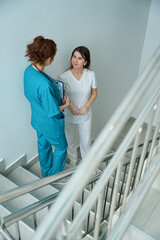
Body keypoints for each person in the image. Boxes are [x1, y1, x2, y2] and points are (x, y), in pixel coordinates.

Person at [24, 36, 69, 177]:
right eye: (53, 56)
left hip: (38, 119)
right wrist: (65, 104)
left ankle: (45, 171)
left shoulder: (29, 71)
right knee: (61, 147)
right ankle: (54, 177)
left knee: (43, 145)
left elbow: (31, 95)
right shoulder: (44, 85)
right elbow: (53, 111)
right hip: (50, 123)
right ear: (49, 59)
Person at [60, 46, 97, 166]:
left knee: (85, 142)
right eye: (74, 57)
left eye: (80, 58)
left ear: (85, 62)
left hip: (85, 115)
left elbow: (94, 92)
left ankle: (87, 164)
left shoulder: (90, 75)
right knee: (70, 141)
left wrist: (86, 106)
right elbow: (62, 96)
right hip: (69, 116)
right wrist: (70, 105)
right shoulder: (63, 77)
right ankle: (73, 160)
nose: (75, 60)